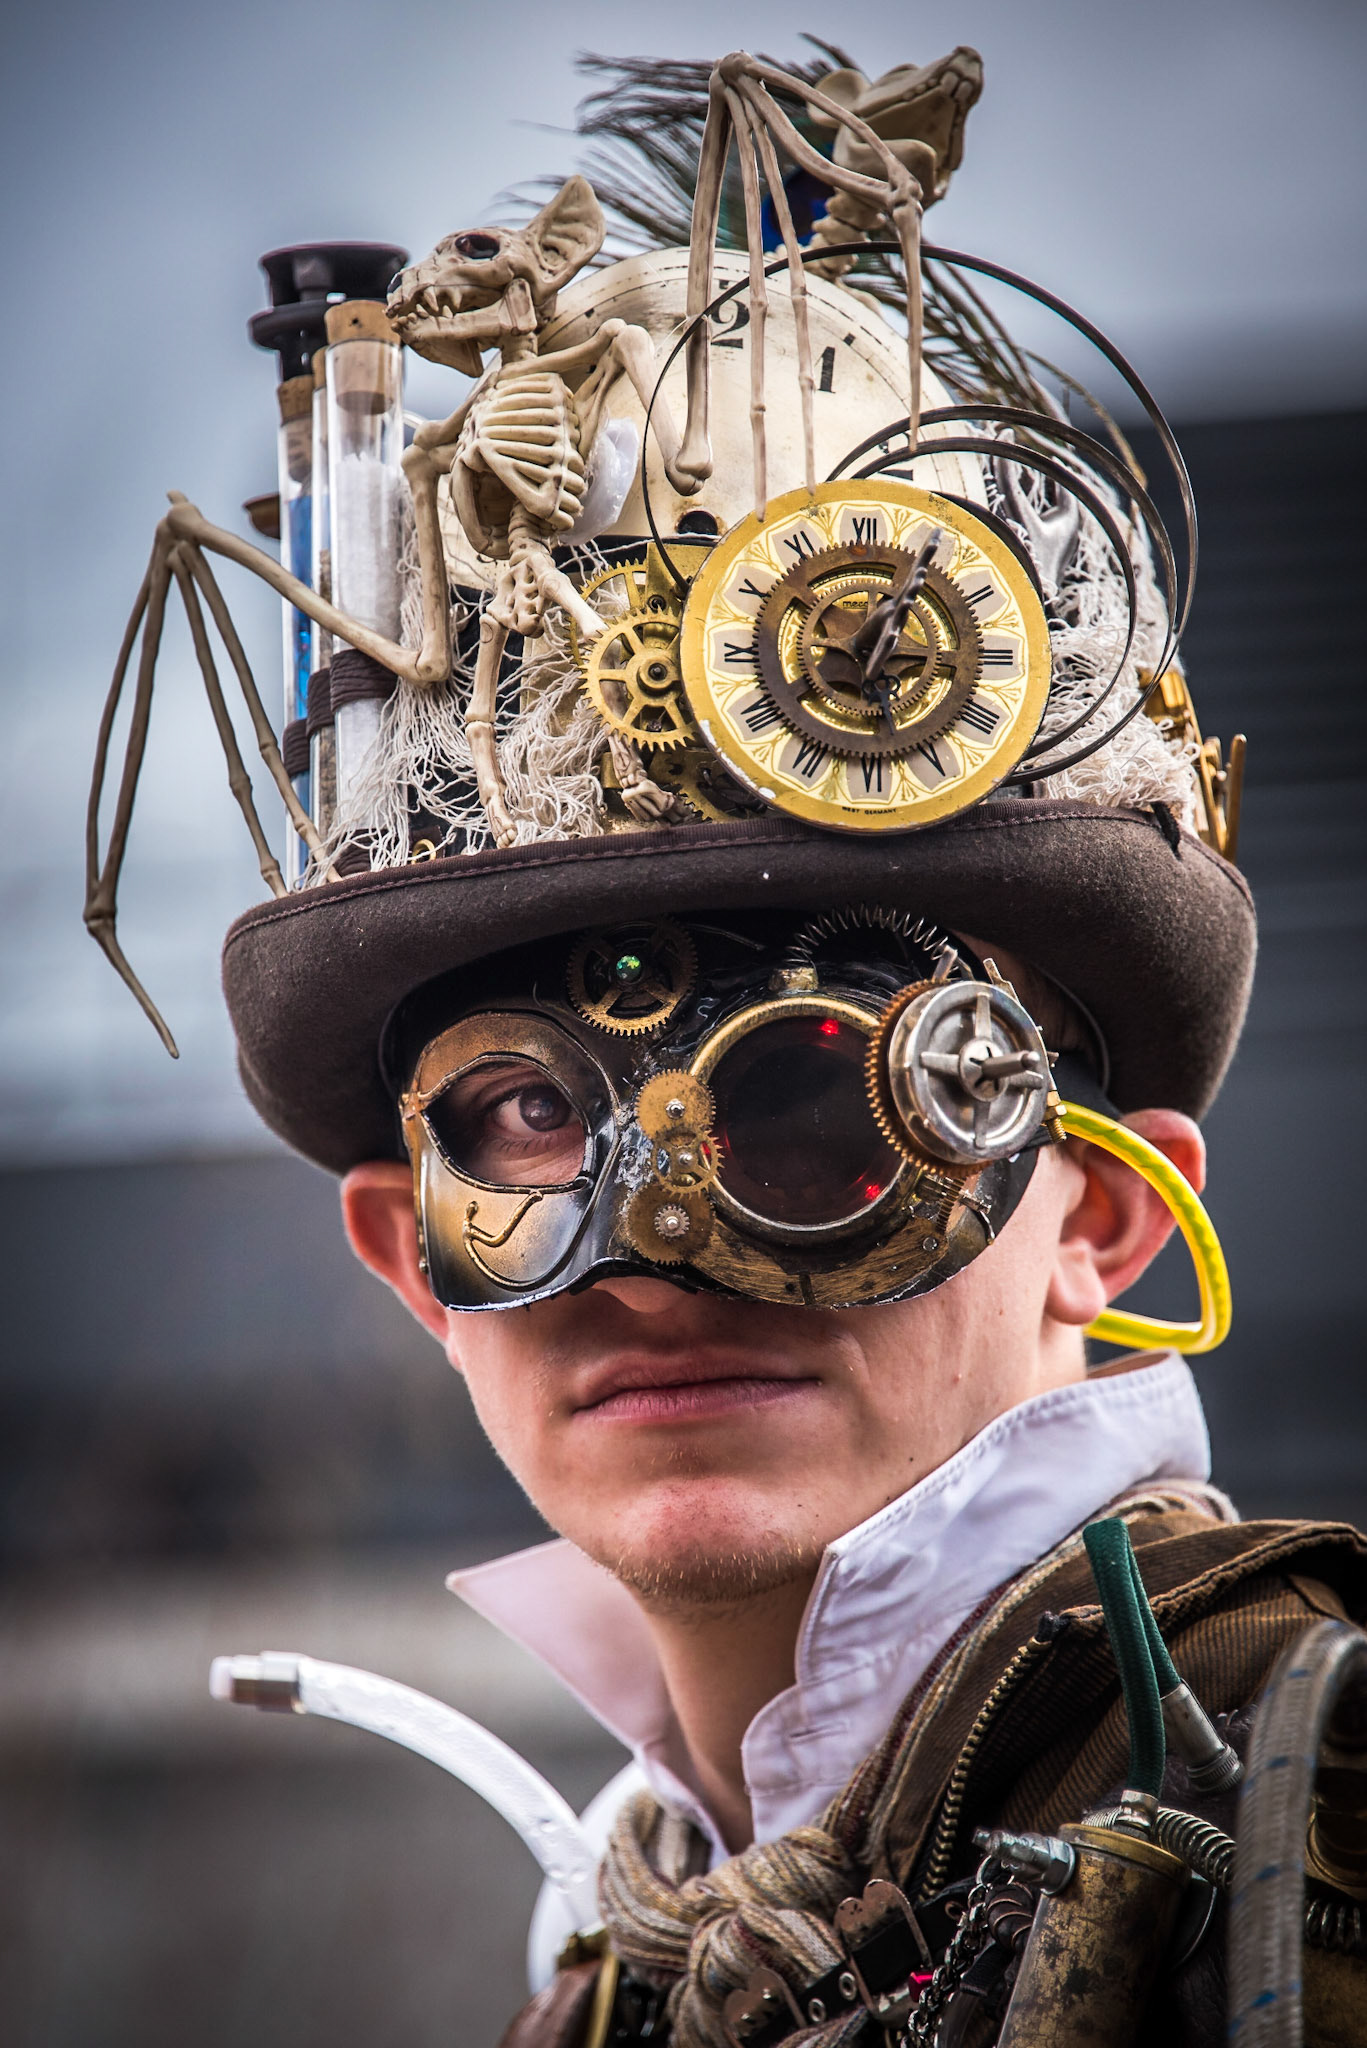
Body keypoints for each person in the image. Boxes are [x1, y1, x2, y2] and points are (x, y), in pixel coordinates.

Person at [91, 40, 1367, 2048]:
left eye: (819, 1089)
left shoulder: (1327, 1812)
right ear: (408, 1249)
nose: (659, 1236)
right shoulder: (616, 1974)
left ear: (1106, 1222)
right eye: (524, 1113)